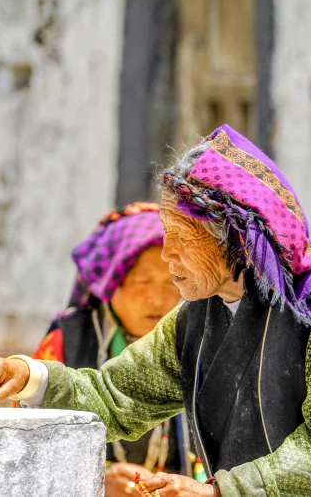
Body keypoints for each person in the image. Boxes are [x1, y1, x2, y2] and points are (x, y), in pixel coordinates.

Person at [0, 125, 311, 496]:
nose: (166, 256)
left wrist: (220, 492)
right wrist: (27, 375)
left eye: (180, 238)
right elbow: (115, 394)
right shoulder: (199, 315)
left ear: (235, 244)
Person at [23, 202, 190, 496]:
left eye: (171, 281)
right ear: (111, 282)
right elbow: (29, 446)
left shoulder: (194, 337)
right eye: (143, 281)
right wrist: (98, 478)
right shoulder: (68, 339)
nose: (158, 298)